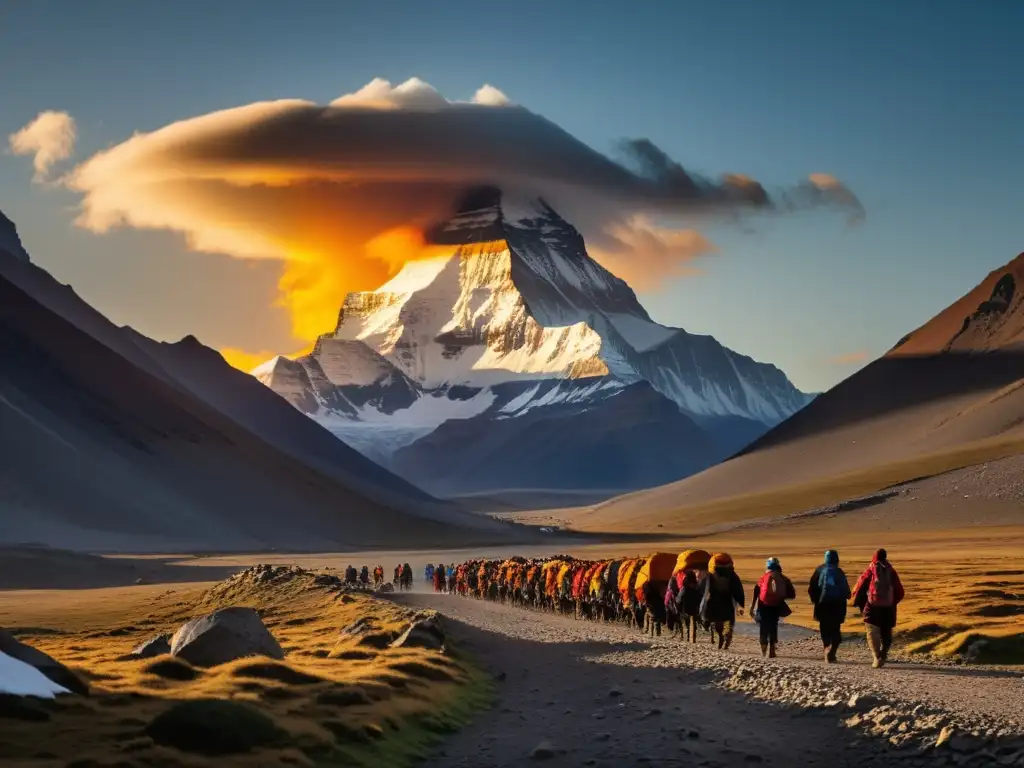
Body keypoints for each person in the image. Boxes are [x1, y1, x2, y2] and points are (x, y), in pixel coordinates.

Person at [853, 548, 905, 668]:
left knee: (872, 632)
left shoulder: (870, 570)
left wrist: (858, 602)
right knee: (886, 632)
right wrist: (892, 602)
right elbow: (900, 592)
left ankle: (877, 657)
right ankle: (884, 652)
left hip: (872, 608)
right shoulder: (891, 571)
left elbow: (859, 587)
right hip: (888, 608)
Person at [808, 550, 851, 663]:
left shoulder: (819, 570)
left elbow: (812, 588)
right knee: (835, 628)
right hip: (838, 605)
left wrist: (815, 600)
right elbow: (846, 591)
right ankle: (833, 650)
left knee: (825, 628)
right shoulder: (839, 572)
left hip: (822, 605)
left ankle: (827, 648)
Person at [751, 557, 796, 658]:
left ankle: (763, 649)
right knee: (773, 626)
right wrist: (780, 596)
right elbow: (792, 594)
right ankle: (772, 648)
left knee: (763, 626)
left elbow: (756, 592)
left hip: (763, 605)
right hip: (776, 605)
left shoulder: (763, 578)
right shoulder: (783, 578)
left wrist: (752, 606)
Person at [700, 553, 745, 650]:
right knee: (728, 620)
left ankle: (719, 636)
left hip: (713, 601)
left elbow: (702, 588)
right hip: (727, 600)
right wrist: (741, 604)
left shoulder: (710, 575)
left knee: (715, 621)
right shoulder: (732, 575)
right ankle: (727, 633)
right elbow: (738, 590)